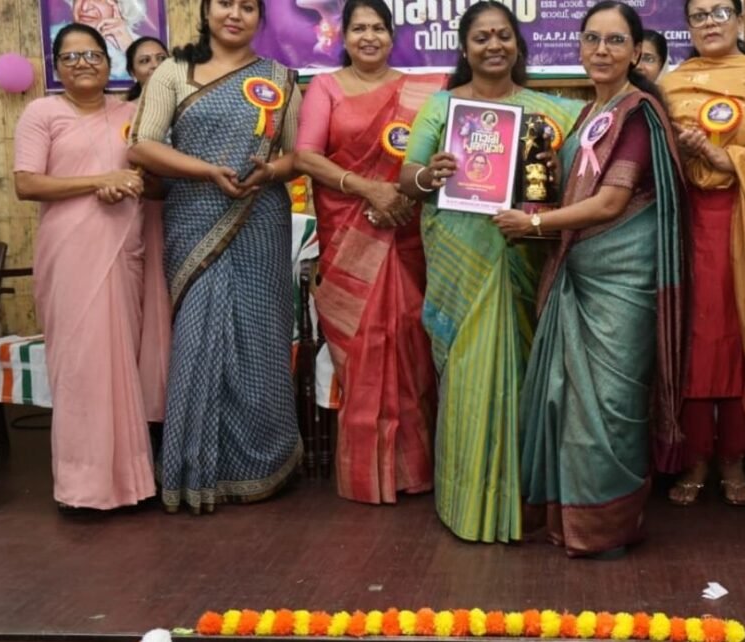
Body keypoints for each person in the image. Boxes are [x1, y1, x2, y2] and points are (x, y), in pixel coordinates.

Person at [494, 1, 684, 557]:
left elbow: (610, 203)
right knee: (568, 399)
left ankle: (606, 529)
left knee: (611, 403)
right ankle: (569, 521)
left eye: (615, 41)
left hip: (622, 282)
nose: (602, 50)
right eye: (592, 39)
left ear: (636, 52)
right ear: (578, 47)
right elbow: (575, 190)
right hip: (578, 272)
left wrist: (534, 223)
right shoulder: (587, 115)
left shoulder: (638, 113)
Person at [398, 0, 581, 543]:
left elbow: (582, 177)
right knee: (464, 374)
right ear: (464, 48)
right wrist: (432, 174)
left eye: (503, 35)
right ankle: (465, 500)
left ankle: (524, 503)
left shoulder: (553, 111)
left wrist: (556, 170)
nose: (494, 45)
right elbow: (407, 178)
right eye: (482, 37)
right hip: (460, 259)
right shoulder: (441, 106)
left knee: (526, 375)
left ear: (518, 44)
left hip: (524, 255)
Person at [128, 0, 303, 514]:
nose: (236, 14)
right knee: (199, 338)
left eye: (248, 7)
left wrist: (271, 173)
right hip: (195, 218)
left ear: (260, 19)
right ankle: (196, 468)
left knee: (260, 336)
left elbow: (297, 154)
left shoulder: (280, 78)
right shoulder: (173, 71)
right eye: (225, 3)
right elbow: (142, 146)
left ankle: (262, 465)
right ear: (206, 12)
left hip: (260, 217)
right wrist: (206, 170)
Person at [293, 0, 444, 505]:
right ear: (345, 36)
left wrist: (400, 198)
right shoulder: (325, 87)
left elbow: (437, 159)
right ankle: (366, 475)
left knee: (409, 339)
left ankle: (414, 469)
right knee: (361, 349)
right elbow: (306, 156)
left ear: (392, 35)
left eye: (379, 28)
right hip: (349, 237)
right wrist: (368, 190)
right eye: (359, 28)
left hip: (407, 231)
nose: (369, 37)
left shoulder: (427, 89)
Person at [14, 23, 155, 512]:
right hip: (70, 254)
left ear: (108, 62)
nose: (83, 64)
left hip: (123, 247)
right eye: (71, 57)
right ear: (56, 67)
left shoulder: (131, 114)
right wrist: (99, 181)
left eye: (92, 54)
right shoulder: (42, 112)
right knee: (79, 365)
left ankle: (130, 482)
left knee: (120, 364)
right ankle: (82, 486)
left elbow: (148, 175)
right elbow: (28, 184)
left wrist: (127, 182)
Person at [659, 0, 745, 507]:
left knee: (738, 337)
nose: (709, 23)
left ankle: (735, 456)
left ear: (740, 20)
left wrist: (726, 157)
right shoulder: (671, 84)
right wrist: (684, 151)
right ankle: (696, 457)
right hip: (687, 225)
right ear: (687, 26)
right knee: (694, 341)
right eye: (698, 15)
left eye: (719, 12)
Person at [124, 36, 171, 430]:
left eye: (161, 58)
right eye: (144, 60)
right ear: (132, 72)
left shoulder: (186, 106)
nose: (154, 66)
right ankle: (141, 410)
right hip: (132, 215)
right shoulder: (121, 114)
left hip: (179, 214)